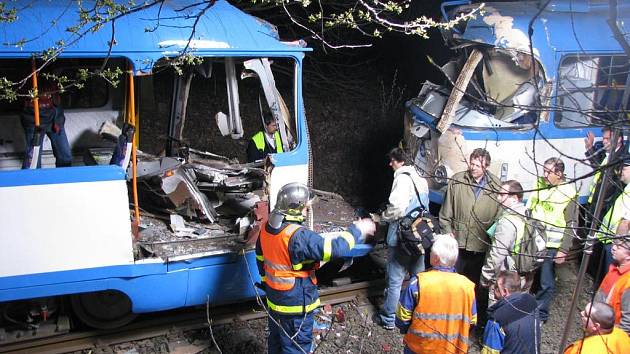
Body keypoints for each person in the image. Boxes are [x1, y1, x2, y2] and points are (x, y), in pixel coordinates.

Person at [255, 182, 375, 354]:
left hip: (275, 301)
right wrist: (357, 230)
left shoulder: (267, 228)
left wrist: (267, 283)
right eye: (305, 207)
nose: (307, 211)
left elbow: (260, 259)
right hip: (295, 305)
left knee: (276, 343)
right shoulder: (298, 236)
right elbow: (335, 249)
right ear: (295, 208)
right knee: (295, 347)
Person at [439, 148, 501, 325]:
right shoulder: (457, 181)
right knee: (452, 284)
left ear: (486, 166)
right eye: (471, 164)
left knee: (475, 287)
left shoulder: (496, 186)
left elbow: (499, 218)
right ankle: (448, 317)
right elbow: (445, 214)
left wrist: (491, 238)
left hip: (480, 247)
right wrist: (447, 231)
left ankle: (470, 320)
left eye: (477, 165)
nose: (472, 168)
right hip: (458, 245)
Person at [372, 147, 429, 330]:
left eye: (393, 161)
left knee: (395, 279)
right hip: (419, 236)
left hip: (402, 238)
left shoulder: (402, 179)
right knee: (419, 278)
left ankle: (388, 319)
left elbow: (397, 208)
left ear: (400, 162)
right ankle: (419, 316)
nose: (390, 164)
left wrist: (382, 218)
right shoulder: (421, 179)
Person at [396, 234, 476, 354]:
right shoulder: (468, 286)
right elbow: (472, 321)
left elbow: (402, 318)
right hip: (453, 348)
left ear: (436, 258)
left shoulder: (418, 283)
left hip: (420, 347)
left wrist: (406, 330)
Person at [526, 157, 578, 323]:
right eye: (544, 170)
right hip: (532, 240)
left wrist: (563, 249)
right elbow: (530, 207)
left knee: (545, 281)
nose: (544, 174)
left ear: (559, 174)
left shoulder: (568, 193)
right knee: (527, 274)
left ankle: (541, 315)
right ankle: (525, 307)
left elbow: (571, 224)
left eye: (548, 172)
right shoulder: (540, 183)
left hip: (551, 245)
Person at [480, 180, 534, 305]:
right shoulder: (528, 214)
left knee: (498, 311)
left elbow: (497, 255)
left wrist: (485, 278)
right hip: (524, 273)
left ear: (514, 198)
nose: (498, 198)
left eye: (502, 195)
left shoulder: (507, 222)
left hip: (507, 276)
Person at [585, 127, 626, 285]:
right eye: (604, 139)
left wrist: (602, 207)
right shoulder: (607, 154)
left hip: (605, 209)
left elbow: (613, 187)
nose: (604, 142)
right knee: (594, 242)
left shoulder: (621, 159)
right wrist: (589, 148)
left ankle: (599, 278)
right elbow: (598, 168)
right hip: (596, 205)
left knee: (601, 247)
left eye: (608, 139)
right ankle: (593, 273)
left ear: (619, 139)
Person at [481, 271, 541, 354]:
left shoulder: (496, 321)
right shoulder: (532, 304)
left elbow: (489, 352)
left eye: (496, 287)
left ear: (505, 292)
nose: (493, 288)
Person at [594, 154, 630, 278]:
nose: (620, 172)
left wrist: (618, 244)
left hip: (617, 244)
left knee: (612, 278)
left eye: (624, 169)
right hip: (611, 240)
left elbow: (626, 221)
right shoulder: (626, 189)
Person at [21, 81, 72, 168]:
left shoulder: (52, 76)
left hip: (55, 119)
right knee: (33, 162)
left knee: (65, 157)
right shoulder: (27, 78)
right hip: (35, 123)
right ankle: (32, 180)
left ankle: (63, 180)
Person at [563, 302, 630, 354]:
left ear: (596, 326)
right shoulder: (622, 335)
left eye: (586, 314)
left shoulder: (584, 350)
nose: (581, 313)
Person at [595, 236, 630, 334]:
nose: (613, 247)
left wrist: (615, 340)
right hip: (600, 326)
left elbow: (628, 321)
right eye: (615, 244)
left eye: (619, 247)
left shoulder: (628, 281)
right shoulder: (615, 268)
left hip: (610, 333)